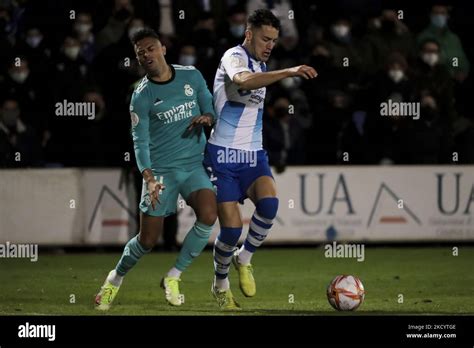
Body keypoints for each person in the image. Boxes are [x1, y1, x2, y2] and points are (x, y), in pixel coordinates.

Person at [95, 28, 217, 310]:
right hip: (161, 171)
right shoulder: (141, 95)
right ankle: (114, 279)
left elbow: (210, 106)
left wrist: (207, 117)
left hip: (192, 165)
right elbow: (139, 141)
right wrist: (148, 177)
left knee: (209, 215)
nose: (146, 55)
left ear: (163, 48)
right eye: (140, 53)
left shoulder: (192, 75)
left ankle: (174, 276)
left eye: (150, 48)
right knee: (147, 240)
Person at [204, 9, 317, 309]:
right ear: (249, 33)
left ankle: (245, 259)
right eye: (265, 38)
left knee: (269, 205)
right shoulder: (234, 57)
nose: (270, 45)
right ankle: (220, 283)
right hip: (223, 156)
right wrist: (288, 71)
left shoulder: (262, 63)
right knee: (230, 230)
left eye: (274, 40)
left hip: (253, 155)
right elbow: (244, 81)